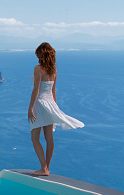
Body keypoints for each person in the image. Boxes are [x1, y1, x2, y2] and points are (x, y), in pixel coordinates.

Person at [28, 42, 84, 176]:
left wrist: (30, 108)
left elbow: (36, 90)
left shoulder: (38, 69)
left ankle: (43, 168)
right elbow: (53, 91)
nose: (37, 57)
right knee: (49, 138)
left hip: (39, 105)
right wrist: (55, 108)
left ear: (42, 55)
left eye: (38, 55)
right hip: (50, 104)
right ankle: (46, 168)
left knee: (34, 138)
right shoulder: (53, 71)